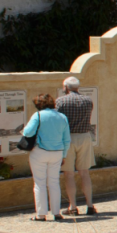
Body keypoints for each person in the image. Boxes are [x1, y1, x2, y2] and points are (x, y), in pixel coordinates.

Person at [22, 92, 72, 222]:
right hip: (57, 152)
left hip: (40, 151)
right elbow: (67, 139)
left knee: (39, 183)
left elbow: (27, 132)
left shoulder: (38, 115)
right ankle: (56, 212)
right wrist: (64, 155)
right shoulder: (62, 117)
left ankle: (41, 214)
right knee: (54, 182)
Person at [55, 76, 97, 216]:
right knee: (84, 172)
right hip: (84, 136)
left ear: (66, 87)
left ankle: (73, 206)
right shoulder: (88, 100)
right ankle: (90, 205)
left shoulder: (60, 101)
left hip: (68, 138)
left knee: (69, 174)